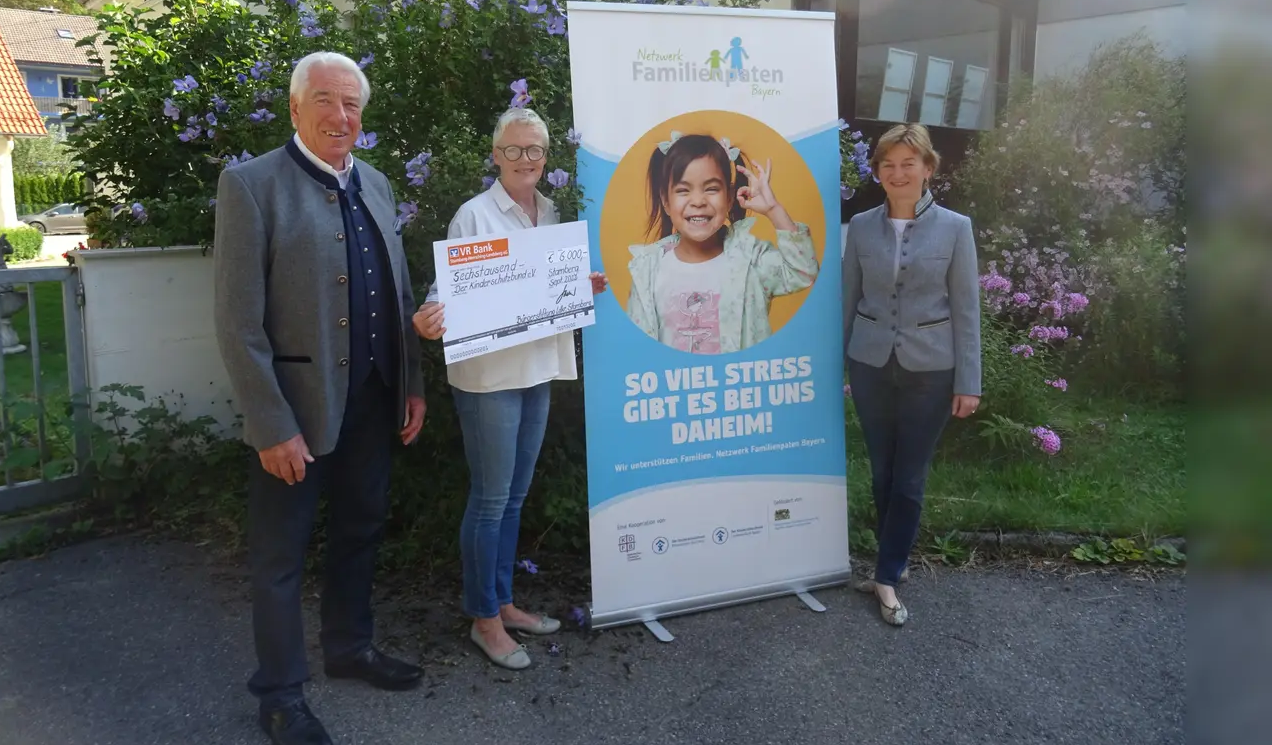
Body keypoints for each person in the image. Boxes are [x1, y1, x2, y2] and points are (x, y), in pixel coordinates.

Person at [214, 51, 428, 745]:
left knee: (360, 529)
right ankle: (280, 694)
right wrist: (270, 423)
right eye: (326, 101)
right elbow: (238, 323)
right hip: (296, 409)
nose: (341, 116)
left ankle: (349, 647)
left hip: (373, 397)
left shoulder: (379, 184)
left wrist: (412, 385)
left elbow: (399, 294)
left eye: (352, 104)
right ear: (295, 108)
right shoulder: (251, 186)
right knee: (280, 558)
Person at [410, 107, 607, 670]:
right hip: (489, 378)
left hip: (536, 369)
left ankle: (502, 602)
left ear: (546, 156)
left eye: (535, 150)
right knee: (491, 499)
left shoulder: (553, 213)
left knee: (514, 498)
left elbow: (542, 289)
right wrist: (429, 315)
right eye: (514, 149)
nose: (526, 159)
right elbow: (446, 290)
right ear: (496, 155)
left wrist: (580, 287)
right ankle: (484, 620)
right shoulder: (473, 216)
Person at [840, 122, 981, 627]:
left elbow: (966, 308)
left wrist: (969, 382)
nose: (897, 173)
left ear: (927, 169)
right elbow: (848, 298)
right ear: (877, 171)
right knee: (882, 471)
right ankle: (892, 562)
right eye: (888, 164)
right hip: (870, 364)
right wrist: (838, 364)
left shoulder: (956, 228)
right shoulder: (860, 227)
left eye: (908, 164)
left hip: (932, 370)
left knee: (910, 476)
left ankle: (886, 575)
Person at [625, 131, 819, 355]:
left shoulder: (751, 260)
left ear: (729, 198)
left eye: (711, 189)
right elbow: (636, 349)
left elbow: (803, 272)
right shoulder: (647, 271)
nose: (698, 201)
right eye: (683, 190)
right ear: (666, 201)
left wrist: (773, 210)